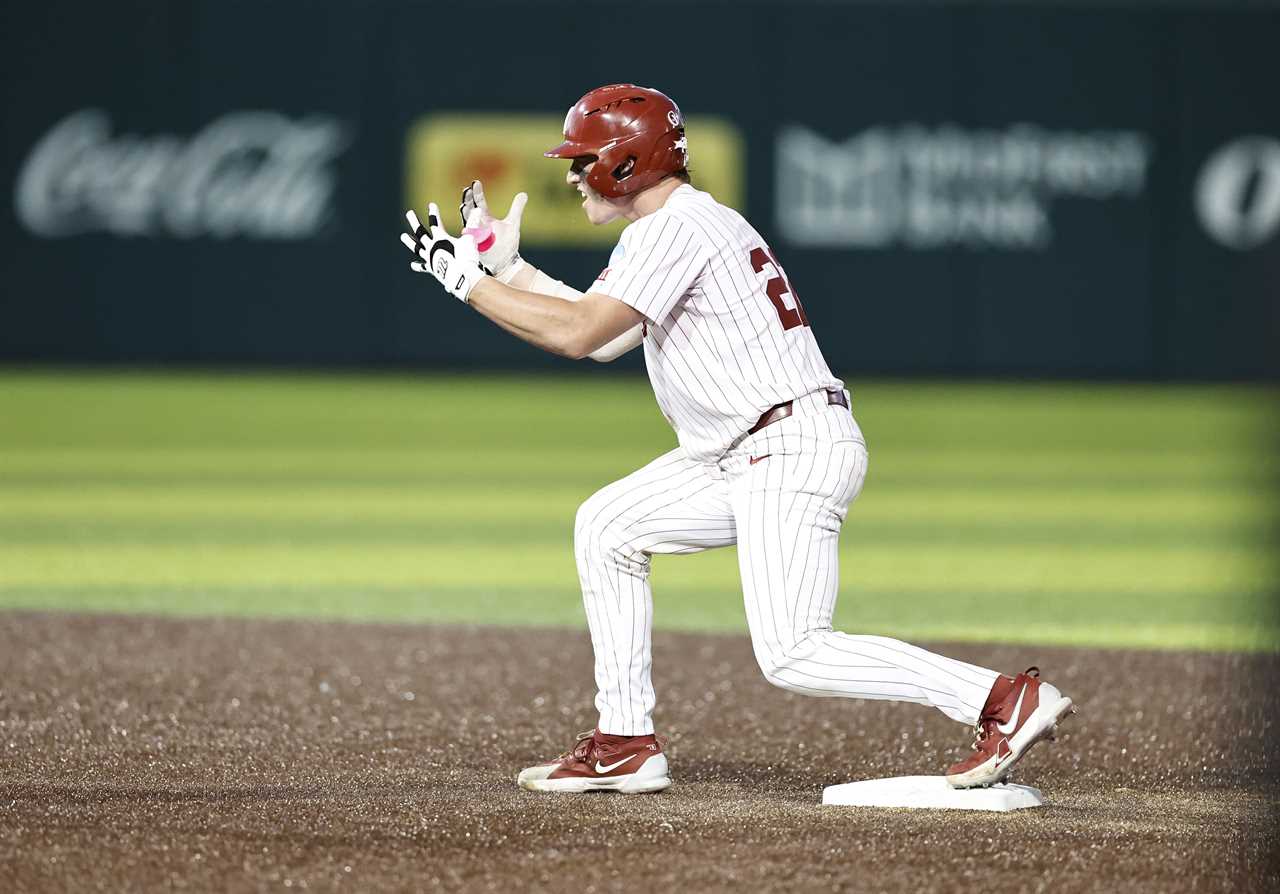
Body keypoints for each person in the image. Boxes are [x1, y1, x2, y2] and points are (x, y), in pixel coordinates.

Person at [400, 83, 1074, 795]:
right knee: (607, 525)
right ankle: (624, 742)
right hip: (749, 450)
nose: (572, 175)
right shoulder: (688, 223)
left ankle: (1002, 700)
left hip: (786, 449)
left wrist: (468, 284)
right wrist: (511, 272)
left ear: (627, 164)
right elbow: (608, 333)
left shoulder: (671, 230)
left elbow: (576, 335)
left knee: (794, 653)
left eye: (583, 159)